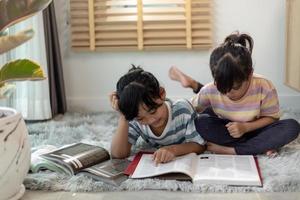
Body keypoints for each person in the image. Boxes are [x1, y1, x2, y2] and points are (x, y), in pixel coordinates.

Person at [169, 32, 300, 155]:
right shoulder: (211, 89)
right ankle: (259, 147)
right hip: (227, 129)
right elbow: (186, 110)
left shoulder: (264, 86)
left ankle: (234, 150)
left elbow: (272, 118)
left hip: (255, 129)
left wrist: (245, 127)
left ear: (249, 75)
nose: (228, 94)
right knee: (201, 121)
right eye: (222, 88)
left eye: (234, 88)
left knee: (292, 127)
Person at [109, 65, 206, 164]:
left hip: (203, 110)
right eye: (141, 119)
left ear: (161, 93)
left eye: (153, 111)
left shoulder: (183, 110)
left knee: (208, 102)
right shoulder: (134, 117)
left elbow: (200, 145)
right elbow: (118, 154)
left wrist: (173, 150)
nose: (151, 120)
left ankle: (193, 84)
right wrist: (123, 115)